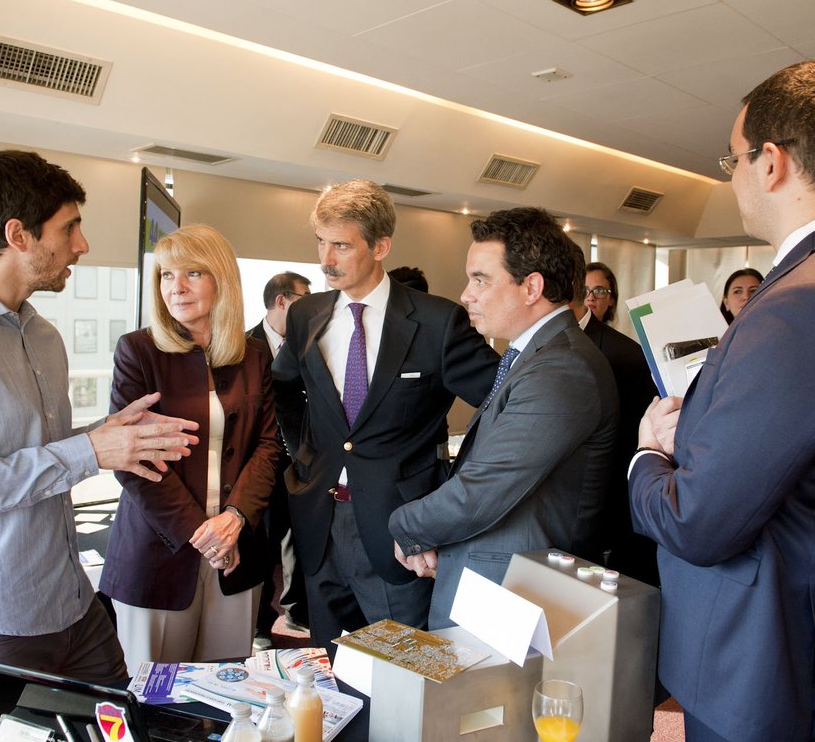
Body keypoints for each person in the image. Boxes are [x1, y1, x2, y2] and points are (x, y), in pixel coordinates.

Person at [629, 62, 815, 741]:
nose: (732, 176)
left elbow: (697, 520)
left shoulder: (810, 300)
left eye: (731, 159)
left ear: (771, 162)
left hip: (784, 664)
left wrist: (649, 455)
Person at [0, 150, 199, 742]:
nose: (82, 245)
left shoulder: (44, 335)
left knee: (125, 734)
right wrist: (89, 453)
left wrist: (105, 439)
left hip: (72, 604)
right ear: (17, 235)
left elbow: (33, 457)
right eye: (69, 227)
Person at [272, 179, 498, 650]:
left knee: (404, 674)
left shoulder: (438, 322)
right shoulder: (305, 315)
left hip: (401, 530)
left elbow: (504, 403)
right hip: (320, 522)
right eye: (320, 243)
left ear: (380, 246)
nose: (325, 259)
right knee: (328, 671)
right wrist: (304, 458)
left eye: (340, 245)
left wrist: (453, 487)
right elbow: (284, 389)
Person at [388, 208, 618, 629]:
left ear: (531, 287)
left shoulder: (561, 368)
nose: (466, 294)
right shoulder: (536, 354)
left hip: (515, 587)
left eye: (480, 279)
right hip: (499, 577)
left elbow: (484, 490)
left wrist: (403, 524)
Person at [100, 224, 282, 671]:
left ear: (222, 279)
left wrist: (234, 519)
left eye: (192, 273)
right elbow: (132, 459)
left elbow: (270, 445)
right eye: (165, 275)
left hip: (236, 554)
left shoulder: (254, 354)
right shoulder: (138, 352)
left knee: (224, 697)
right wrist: (204, 535)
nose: (175, 287)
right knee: (152, 700)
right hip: (159, 555)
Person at [566, 245, 658, 585]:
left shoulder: (625, 354)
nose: (592, 297)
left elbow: (628, 441)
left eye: (599, 291)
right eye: (587, 289)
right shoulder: (550, 344)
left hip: (605, 504)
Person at [248, 271, 313, 648]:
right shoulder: (243, 346)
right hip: (261, 464)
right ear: (283, 300)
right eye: (307, 297)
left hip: (301, 462)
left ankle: (298, 613)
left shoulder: (309, 344)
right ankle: (258, 627)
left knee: (300, 541)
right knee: (262, 547)